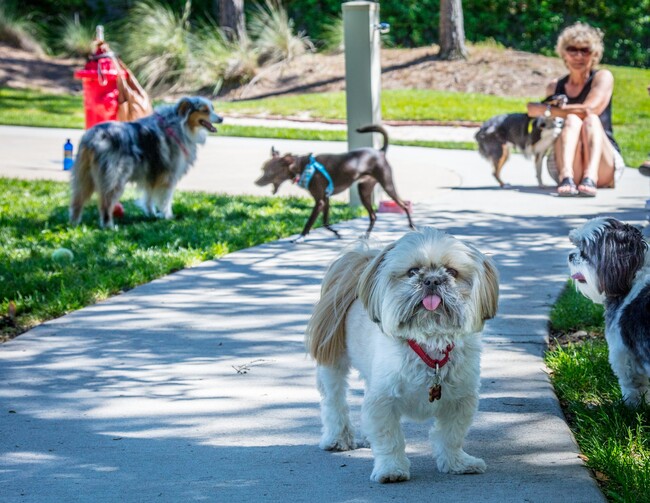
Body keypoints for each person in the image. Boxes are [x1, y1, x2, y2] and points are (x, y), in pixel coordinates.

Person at [527, 22, 625, 197]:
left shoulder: (602, 77)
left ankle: (590, 176)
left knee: (590, 119)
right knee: (572, 120)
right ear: (564, 53)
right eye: (572, 49)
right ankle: (567, 176)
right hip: (567, 163)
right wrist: (543, 111)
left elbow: (590, 109)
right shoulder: (555, 86)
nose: (578, 56)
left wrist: (546, 109)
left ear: (594, 54)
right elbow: (533, 114)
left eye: (585, 50)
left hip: (602, 163)